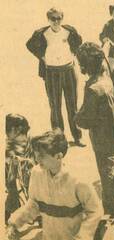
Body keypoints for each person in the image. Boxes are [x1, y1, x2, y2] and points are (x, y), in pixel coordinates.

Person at [75, 42, 114, 216]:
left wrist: (76, 116)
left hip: (101, 136)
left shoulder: (93, 88)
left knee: (106, 172)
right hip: (112, 130)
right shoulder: (106, 79)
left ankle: (112, 210)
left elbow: (86, 119)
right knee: (112, 166)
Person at [26, 7, 83, 146]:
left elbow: (79, 42)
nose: (56, 21)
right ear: (48, 19)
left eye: (59, 18)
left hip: (68, 70)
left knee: (72, 105)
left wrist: (73, 54)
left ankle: (77, 137)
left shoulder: (68, 31)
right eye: (53, 19)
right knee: (55, 106)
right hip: (51, 72)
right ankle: (58, 138)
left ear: (62, 19)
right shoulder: (42, 33)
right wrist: (43, 57)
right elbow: (29, 45)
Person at [5, 114, 34, 222]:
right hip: (11, 174)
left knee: (31, 192)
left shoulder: (28, 141)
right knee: (13, 191)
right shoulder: (8, 144)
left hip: (26, 173)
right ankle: (8, 212)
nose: (24, 137)